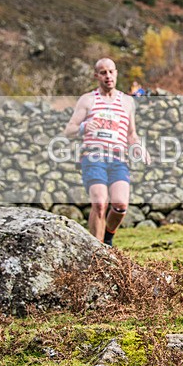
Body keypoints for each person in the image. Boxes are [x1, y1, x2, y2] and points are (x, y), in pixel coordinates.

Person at [64, 58, 150, 246]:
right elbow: (68, 130)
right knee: (100, 203)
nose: (108, 76)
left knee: (120, 205)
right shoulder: (88, 100)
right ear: (96, 76)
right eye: (103, 72)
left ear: (116, 73)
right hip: (93, 157)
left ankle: (107, 239)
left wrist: (138, 146)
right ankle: (95, 252)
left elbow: (131, 134)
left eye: (111, 72)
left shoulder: (127, 102)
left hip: (118, 159)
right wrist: (84, 127)